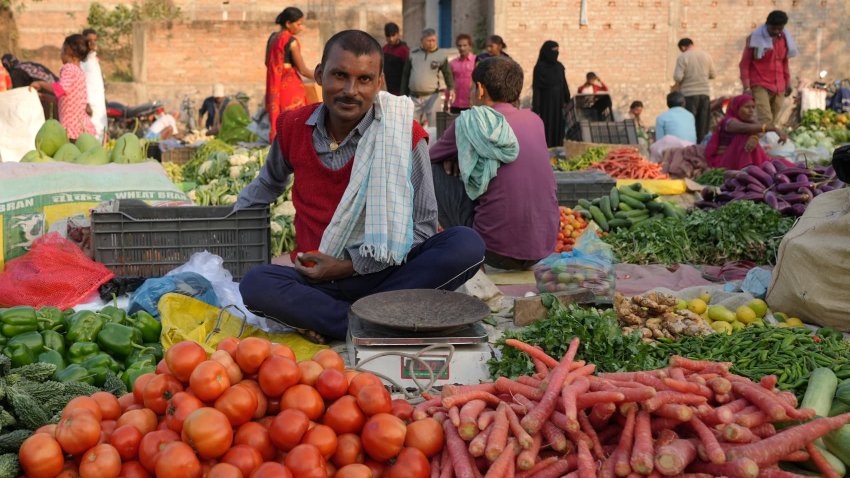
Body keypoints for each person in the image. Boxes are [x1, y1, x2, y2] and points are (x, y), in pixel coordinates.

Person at [236, 30, 485, 342]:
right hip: (315, 278)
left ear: (379, 83)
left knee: (466, 245)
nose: (350, 90)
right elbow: (267, 184)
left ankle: (341, 320)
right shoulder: (292, 127)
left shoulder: (405, 135)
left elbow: (422, 227)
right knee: (256, 283)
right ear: (318, 75)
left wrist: (348, 266)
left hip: (391, 274)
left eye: (364, 79)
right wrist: (224, 219)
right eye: (339, 75)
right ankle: (374, 320)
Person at [431, 57, 558, 270]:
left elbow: (426, 158)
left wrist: (454, 156)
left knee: (429, 170)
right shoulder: (535, 120)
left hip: (493, 252)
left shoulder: (469, 122)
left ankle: (466, 250)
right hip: (543, 249)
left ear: (480, 89)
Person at [29, 35, 95, 140]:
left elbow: (60, 89)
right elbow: (65, 99)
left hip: (71, 129)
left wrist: (41, 84)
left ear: (68, 52)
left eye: (62, 51)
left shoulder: (68, 68)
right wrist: (43, 97)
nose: (60, 54)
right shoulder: (79, 71)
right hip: (81, 127)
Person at [739, 10, 797, 126]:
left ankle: (764, 142)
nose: (776, 31)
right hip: (760, 84)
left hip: (779, 86)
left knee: (772, 122)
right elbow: (744, 64)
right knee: (765, 119)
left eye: (779, 29)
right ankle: (760, 142)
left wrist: (788, 83)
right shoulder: (755, 38)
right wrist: (746, 87)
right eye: (773, 28)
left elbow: (784, 62)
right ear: (767, 25)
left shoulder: (785, 39)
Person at [266, 6, 314, 141]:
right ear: (288, 24)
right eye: (298, 24)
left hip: (275, 89)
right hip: (291, 89)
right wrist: (322, 76)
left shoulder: (272, 38)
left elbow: (267, 63)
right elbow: (303, 70)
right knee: (295, 125)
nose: (301, 28)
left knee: (280, 124)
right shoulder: (291, 41)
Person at [705, 94, 788, 170]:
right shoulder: (728, 122)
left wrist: (754, 137)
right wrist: (772, 128)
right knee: (743, 137)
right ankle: (749, 170)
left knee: (782, 163)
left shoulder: (749, 121)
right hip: (723, 161)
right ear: (737, 108)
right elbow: (743, 128)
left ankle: (757, 168)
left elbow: (758, 133)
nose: (751, 110)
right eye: (747, 107)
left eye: (753, 107)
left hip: (736, 158)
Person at [400, 28, 454, 127]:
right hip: (414, 97)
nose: (431, 43)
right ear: (422, 41)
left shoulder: (441, 55)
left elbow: (447, 73)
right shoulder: (413, 54)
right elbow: (405, 75)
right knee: (410, 127)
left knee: (434, 127)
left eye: (433, 40)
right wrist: (403, 95)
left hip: (432, 97)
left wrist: (451, 88)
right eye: (428, 41)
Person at [674, 38, 715, 143]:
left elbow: (678, 77)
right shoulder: (707, 56)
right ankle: (702, 148)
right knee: (703, 125)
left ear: (683, 47)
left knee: (689, 124)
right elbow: (713, 75)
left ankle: (690, 147)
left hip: (689, 94)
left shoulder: (683, 57)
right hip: (704, 93)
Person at [532, 40, 570, 147]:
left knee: (558, 128)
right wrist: (536, 109)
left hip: (559, 104)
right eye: (553, 51)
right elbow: (537, 89)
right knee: (546, 127)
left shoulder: (559, 67)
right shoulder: (539, 68)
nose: (556, 53)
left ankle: (558, 149)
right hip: (545, 105)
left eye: (557, 51)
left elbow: (564, 84)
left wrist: (567, 99)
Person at [3, 53, 59, 119]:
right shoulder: (29, 65)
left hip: (49, 94)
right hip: (58, 88)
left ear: (6, 66)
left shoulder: (16, 72)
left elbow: (18, 94)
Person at [651, 92, 697, 163]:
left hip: (672, 153)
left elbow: (660, 141)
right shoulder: (690, 116)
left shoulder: (661, 117)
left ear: (668, 104)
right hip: (691, 149)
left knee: (654, 148)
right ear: (683, 103)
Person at [80, 28, 107, 144]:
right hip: (89, 106)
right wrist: (86, 103)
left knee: (101, 133)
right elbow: (81, 83)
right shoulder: (83, 62)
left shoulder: (94, 60)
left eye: (95, 40)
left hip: (100, 105)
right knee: (90, 137)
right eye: (89, 40)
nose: (92, 43)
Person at [448, 34, 475, 114]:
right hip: (456, 103)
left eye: (465, 45)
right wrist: (447, 101)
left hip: (471, 103)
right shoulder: (452, 63)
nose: (462, 48)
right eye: (459, 45)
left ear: (470, 46)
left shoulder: (476, 61)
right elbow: (449, 82)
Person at [382, 22, 409, 96]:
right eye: (388, 36)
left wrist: (404, 91)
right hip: (386, 91)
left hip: (400, 92)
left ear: (398, 34)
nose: (391, 39)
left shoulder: (404, 51)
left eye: (393, 35)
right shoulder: (384, 49)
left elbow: (408, 72)